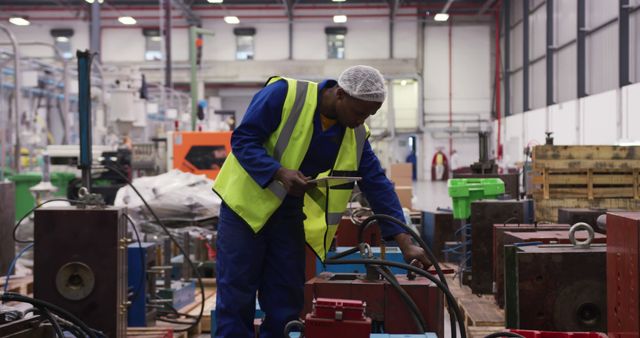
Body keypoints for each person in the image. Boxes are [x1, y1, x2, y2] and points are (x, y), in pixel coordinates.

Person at [212, 65, 431, 338]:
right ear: (339, 94)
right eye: (359, 112)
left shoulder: (354, 134)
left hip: (287, 214)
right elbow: (243, 139)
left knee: (286, 297)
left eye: (369, 115)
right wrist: (279, 172)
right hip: (244, 209)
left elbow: (376, 183)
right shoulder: (284, 94)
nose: (361, 121)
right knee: (236, 293)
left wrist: (405, 242)